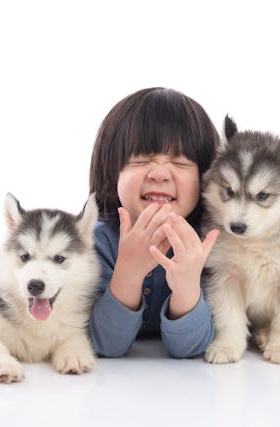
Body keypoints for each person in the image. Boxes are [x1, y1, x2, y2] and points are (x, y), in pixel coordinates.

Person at [88, 87, 220, 358]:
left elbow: (191, 348)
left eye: (180, 162)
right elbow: (104, 345)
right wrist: (129, 271)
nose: (159, 173)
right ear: (112, 172)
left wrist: (186, 286)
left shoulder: (206, 244)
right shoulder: (95, 243)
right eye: (141, 159)